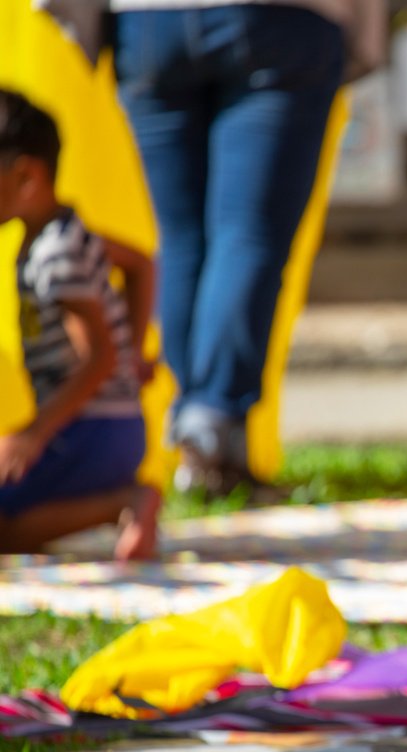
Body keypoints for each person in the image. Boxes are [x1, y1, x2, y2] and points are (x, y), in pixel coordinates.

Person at [107, 0, 384, 495]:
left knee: (183, 237)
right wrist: (365, 36)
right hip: (278, 19)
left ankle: (208, 444)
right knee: (249, 232)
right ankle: (210, 419)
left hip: (147, 22)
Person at [0, 88, 159, 560]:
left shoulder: (55, 255)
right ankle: (121, 500)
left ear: (26, 175)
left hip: (92, 434)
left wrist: (34, 434)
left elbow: (97, 358)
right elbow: (140, 264)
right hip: (108, 428)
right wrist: (133, 347)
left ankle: (124, 503)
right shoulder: (68, 232)